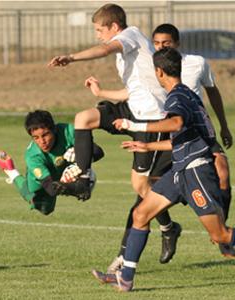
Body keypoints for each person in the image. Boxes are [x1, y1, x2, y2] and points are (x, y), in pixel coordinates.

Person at [92, 47, 235, 292]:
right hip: (180, 170)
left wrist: (134, 124)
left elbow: (176, 123)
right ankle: (126, 277)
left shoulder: (177, 97)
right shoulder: (187, 95)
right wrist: (147, 145)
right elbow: (183, 137)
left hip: (196, 171)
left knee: (220, 234)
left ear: (159, 72)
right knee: (141, 214)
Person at [48, 3, 182, 268]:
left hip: (151, 118)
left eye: (100, 29)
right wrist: (101, 94)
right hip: (134, 108)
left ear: (114, 26)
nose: (98, 34)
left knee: (142, 189)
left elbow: (105, 48)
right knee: (83, 118)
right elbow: (134, 91)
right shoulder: (130, 52)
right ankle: (83, 176)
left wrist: (72, 57)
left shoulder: (129, 35)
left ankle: (167, 228)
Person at [151, 23, 235, 257]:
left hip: (197, 133)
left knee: (223, 172)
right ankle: (168, 229)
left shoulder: (196, 63)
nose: (160, 47)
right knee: (147, 187)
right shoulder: (152, 66)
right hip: (170, 133)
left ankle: (221, 231)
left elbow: (212, 91)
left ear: (176, 44)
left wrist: (224, 126)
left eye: (165, 43)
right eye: (156, 43)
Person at [0, 110, 104, 215]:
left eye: (45, 135)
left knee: (82, 164)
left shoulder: (68, 131)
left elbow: (98, 152)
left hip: (61, 171)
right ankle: (11, 171)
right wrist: (73, 188)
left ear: (54, 129)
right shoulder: (33, 156)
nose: (42, 142)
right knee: (44, 208)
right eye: (36, 137)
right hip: (41, 182)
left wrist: (80, 156)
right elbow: (51, 189)